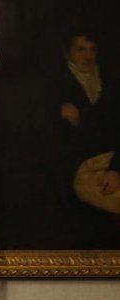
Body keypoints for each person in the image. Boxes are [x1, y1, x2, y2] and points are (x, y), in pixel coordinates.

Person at [55, 30, 120, 215]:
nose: (87, 56)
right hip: (82, 168)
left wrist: (116, 168)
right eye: (81, 49)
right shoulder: (56, 86)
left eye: (92, 50)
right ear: (68, 53)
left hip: (113, 159)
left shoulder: (111, 84)